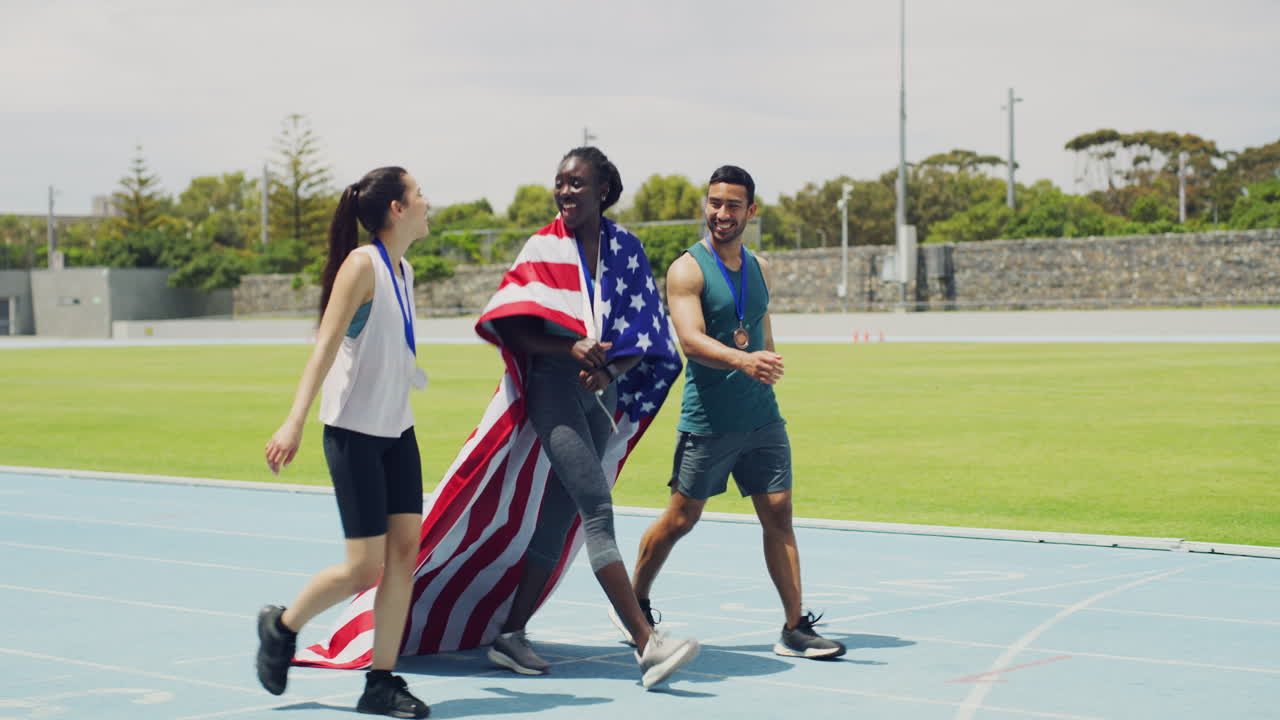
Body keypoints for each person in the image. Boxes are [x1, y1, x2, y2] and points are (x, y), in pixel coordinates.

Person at [482, 147, 700, 689]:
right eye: (560, 183)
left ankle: (510, 636)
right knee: (597, 510)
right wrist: (571, 349)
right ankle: (648, 645)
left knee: (559, 520)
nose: (566, 192)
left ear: (603, 190)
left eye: (577, 184)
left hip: (602, 397)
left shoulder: (625, 248)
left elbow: (649, 331)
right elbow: (512, 330)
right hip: (553, 389)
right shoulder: (542, 246)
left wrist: (612, 370)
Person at [614, 165, 846, 660]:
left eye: (733, 205)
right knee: (680, 519)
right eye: (715, 203)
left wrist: (765, 364)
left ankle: (794, 626)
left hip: (762, 417)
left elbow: (759, 324)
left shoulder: (760, 268)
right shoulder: (687, 268)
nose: (721, 213)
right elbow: (691, 340)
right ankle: (633, 603)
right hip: (710, 421)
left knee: (779, 513)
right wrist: (745, 359)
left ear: (751, 211)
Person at [256, 166, 432, 718]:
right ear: (398, 209)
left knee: (404, 556)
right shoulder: (362, 266)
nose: (428, 201)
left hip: (398, 432)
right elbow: (324, 349)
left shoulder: (403, 269)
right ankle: (281, 625)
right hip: (354, 436)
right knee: (363, 569)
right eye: (420, 193)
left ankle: (380, 682)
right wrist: (294, 421)